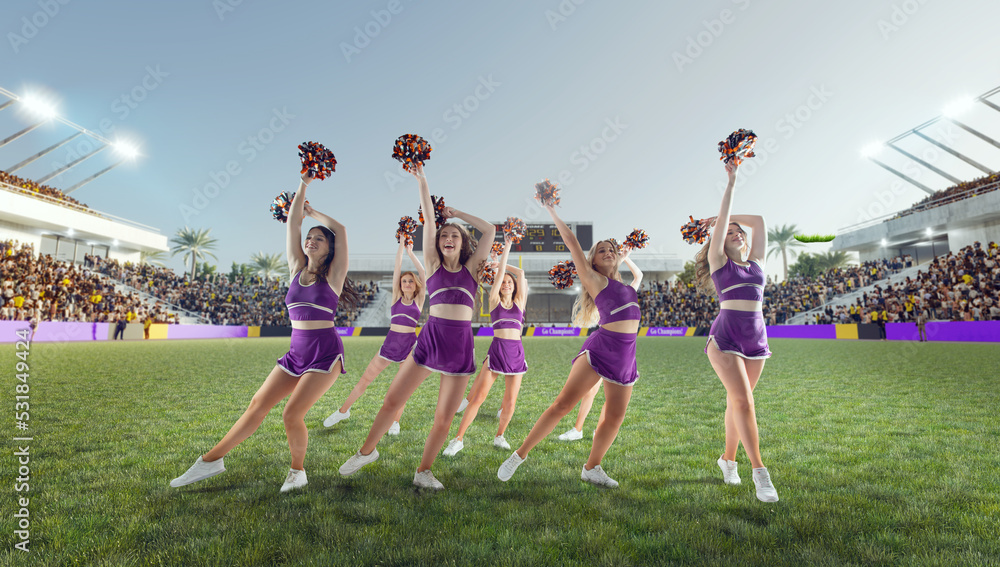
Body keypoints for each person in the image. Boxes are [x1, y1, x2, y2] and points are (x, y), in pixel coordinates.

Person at [171, 171, 359, 493]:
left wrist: (311, 211)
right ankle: (210, 461)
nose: (310, 240)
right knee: (258, 403)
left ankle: (297, 472)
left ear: (329, 249)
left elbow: (340, 229)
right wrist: (303, 183)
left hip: (325, 354)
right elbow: (292, 226)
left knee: (291, 414)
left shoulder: (334, 277)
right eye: (309, 237)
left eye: (319, 239)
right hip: (296, 353)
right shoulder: (295, 270)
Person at [338, 163, 495, 490]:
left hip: (461, 347)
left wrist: (456, 213)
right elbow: (427, 211)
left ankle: (424, 471)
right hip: (430, 340)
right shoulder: (433, 265)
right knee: (392, 401)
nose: (448, 238)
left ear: (463, 242)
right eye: (443, 235)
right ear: (437, 244)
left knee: (443, 418)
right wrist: (422, 179)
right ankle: (366, 452)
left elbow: (490, 230)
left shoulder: (473, 270)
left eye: (455, 235)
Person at [497, 199, 642, 488]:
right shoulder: (595, 280)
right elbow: (572, 242)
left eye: (611, 249)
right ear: (593, 262)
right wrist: (551, 210)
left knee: (614, 417)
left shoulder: (628, 288)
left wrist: (624, 256)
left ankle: (592, 467)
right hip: (601, 349)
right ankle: (519, 454)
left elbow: (639, 275)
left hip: (626, 357)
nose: (609, 252)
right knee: (562, 405)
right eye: (603, 251)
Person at [692, 160, 778, 503]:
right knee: (744, 402)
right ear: (718, 241)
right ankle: (760, 473)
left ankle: (728, 460)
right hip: (725, 338)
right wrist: (731, 183)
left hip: (756, 338)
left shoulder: (756, 260)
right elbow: (726, 230)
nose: (737, 233)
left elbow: (759, 222)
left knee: (736, 403)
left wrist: (726, 220)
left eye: (737, 231)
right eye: (729, 232)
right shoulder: (718, 261)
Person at [323, 238, 426, 434]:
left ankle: (395, 421)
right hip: (390, 345)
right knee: (364, 381)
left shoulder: (419, 301)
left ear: (415, 285)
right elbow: (397, 267)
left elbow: (423, 274)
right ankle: (343, 410)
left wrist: (411, 253)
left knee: (403, 389)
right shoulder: (396, 296)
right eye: (404, 281)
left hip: (409, 348)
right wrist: (400, 246)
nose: (406, 283)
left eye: (410, 281)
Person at [443, 234, 528, 456]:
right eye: (504, 283)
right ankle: (458, 439)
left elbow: (520, 274)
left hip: (516, 354)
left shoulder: (520, 303)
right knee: (479, 398)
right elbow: (500, 276)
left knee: (510, 402)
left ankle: (500, 436)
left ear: (515, 287)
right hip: (498, 351)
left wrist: (500, 261)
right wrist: (503, 254)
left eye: (510, 283)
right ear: (500, 288)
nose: (507, 284)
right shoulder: (494, 302)